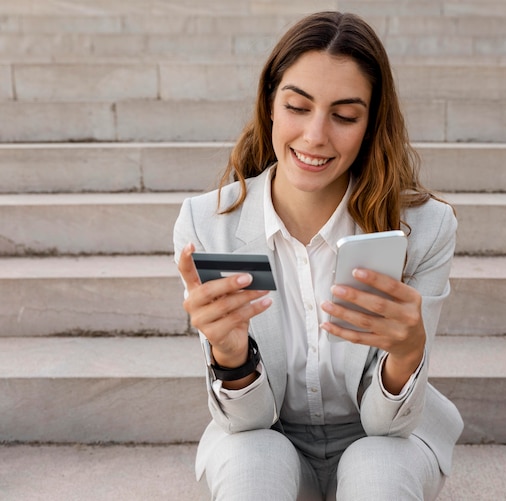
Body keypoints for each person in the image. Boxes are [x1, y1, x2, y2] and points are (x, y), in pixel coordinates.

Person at [174, 11, 463, 501]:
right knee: (251, 462)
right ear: (269, 105)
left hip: (384, 441)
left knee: (378, 469)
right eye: (297, 107)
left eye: (345, 116)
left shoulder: (426, 227)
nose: (315, 136)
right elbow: (248, 421)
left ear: (371, 123)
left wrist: (408, 352)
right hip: (265, 438)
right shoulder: (209, 224)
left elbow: (387, 425)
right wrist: (229, 356)